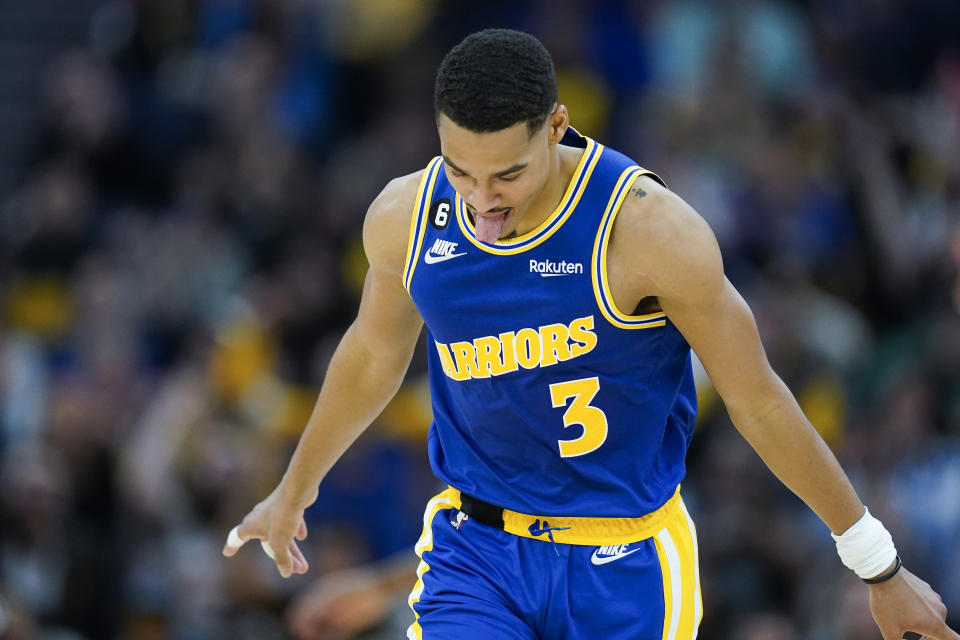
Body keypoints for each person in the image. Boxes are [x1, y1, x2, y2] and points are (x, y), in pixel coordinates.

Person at [222, 29, 958, 640]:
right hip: (476, 554)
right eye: (460, 172)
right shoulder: (405, 219)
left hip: (628, 561)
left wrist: (878, 566)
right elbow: (374, 353)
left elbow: (759, 401)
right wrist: (294, 490)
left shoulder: (646, 231)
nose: (481, 203)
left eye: (505, 176)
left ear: (557, 126)